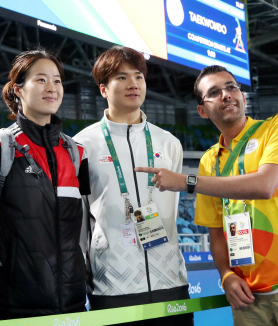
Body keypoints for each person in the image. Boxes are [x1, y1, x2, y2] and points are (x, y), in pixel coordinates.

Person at [136, 65, 278, 326]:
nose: (226, 94)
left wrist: (186, 182)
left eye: (231, 87)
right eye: (214, 92)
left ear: (243, 97)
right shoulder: (209, 161)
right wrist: (225, 275)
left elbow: (264, 186)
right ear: (202, 110)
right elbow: (216, 233)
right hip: (248, 295)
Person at [74, 46, 192, 326]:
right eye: (122, 77)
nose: (133, 84)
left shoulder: (168, 143)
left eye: (139, 77)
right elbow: (78, 221)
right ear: (104, 89)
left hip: (171, 281)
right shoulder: (82, 145)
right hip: (112, 285)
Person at [0, 49, 90, 321]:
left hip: (72, 307)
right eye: (41, 80)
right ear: (18, 89)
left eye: (57, 81)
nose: (52, 88)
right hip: (11, 308)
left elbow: (84, 231)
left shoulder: (76, 153)